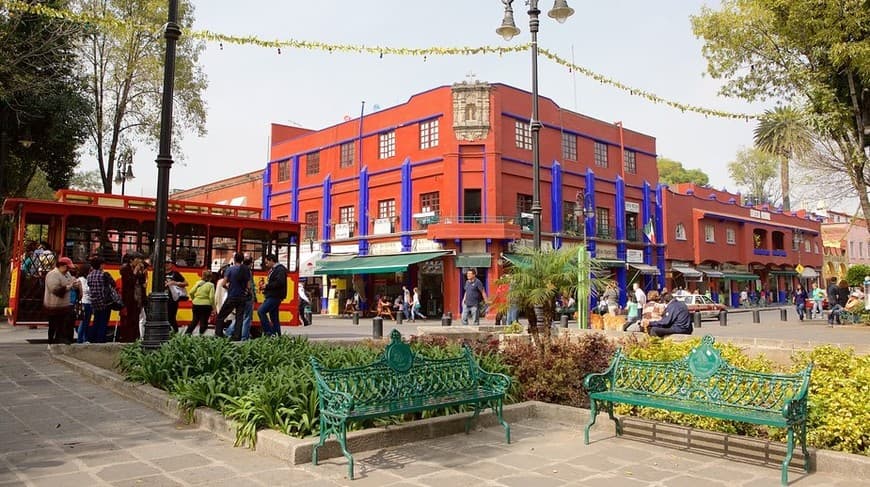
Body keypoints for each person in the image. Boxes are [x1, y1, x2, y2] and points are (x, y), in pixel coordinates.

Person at [43, 257, 79, 344]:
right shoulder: (53, 274)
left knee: (62, 326)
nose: (68, 269)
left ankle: (59, 341)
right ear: (61, 266)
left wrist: (75, 285)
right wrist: (69, 287)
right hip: (53, 306)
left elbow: (70, 283)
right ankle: (51, 343)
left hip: (64, 307)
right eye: (67, 267)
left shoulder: (67, 274)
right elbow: (54, 290)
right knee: (53, 326)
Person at [215, 253, 251, 340]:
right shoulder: (246, 270)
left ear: (234, 259)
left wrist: (229, 287)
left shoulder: (230, 269)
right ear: (242, 260)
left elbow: (223, 284)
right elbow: (248, 286)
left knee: (221, 315)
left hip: (232, 296)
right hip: (242, 297)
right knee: (239, 317)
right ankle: (236, 336)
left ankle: (219, 333)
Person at [117, 252, 146, 342]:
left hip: (138, 298)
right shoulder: (125, 269)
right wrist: (135, 271)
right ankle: (127, 339)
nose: (140, 262)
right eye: (138, 259)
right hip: (129, 299)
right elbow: (130, 282)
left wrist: (141, 272)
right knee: (128, 321)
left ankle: (135, 338)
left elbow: (142, 282)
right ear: (132, 260)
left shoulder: (139, 269)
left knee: (136, 319)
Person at [227, 255, 256, 340]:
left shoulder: (238, 269)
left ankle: (229, 331)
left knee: (240, 316)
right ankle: (244, 337)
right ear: (250, 263)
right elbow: (249, 285)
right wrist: (251, 294)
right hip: (247, 297)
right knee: (247, 317)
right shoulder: (248, 271)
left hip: (240, 296)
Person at [258, 254, 287, 336]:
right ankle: (277, 334)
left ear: (271, 260)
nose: (266, 265)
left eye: (267, 263)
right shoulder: (275, 269)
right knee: (274, 317)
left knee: (261, 311)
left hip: (275, 296)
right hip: (272, 295)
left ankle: (269, 332)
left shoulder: (280, 269)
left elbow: (280, 282)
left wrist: (267, 286)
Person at [186, 270, 215, 335]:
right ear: (210, 277)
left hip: (196, 304)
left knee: (195, 320)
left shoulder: (198, 283)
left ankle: (187, 333)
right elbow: (211, 297)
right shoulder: (211, 285)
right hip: (206, 305)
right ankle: (201, 335)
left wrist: (194, 299)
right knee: (204, 321)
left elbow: (191, 292)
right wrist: (214, 307)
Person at [164, 259, 188, 333]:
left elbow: (186, 283)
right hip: (163, 299)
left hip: (173, 299)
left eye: (168, 263)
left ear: (171, 264)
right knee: (164, 317)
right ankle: (167, 332)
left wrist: (175, 283)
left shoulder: (175, 273)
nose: (166, 264)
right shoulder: (160, 273)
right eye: (165, 262)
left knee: (172, 317)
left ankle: (175, 332)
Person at [75, 263, 92, 343]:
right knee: (83, 322)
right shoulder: (80, 279)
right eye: (90, 270)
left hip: (89, 302)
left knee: (87, 322)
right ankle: (80, 339)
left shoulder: (86, 279)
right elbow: (85, 290)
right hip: (84, 302)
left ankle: (85, 338)